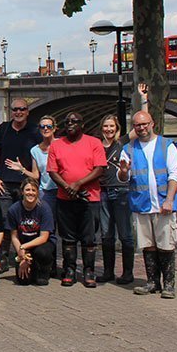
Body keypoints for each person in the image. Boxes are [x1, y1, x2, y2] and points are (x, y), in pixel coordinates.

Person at [119, 110, 177, 298]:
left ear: (152, 124)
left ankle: (168, 284)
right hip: (142, 204)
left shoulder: (166, 145)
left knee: (166, 244)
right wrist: (123, 171)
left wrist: (169, 199)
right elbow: (122, 178)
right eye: (138, 125)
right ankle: (152, 282)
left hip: (164, 204)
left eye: (145, 124)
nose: (142, 128)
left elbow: (174, 174)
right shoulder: (128, 149)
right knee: (148, 245)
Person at [47, 112, 106, 288]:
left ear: (83, 124)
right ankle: (69, 270)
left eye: (74, 121)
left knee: (89, 238)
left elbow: (99, 168)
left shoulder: (94, 143)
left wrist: (79, 184)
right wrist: (68, 187)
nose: (70, 124)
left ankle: (89, 270)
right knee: (68, 237)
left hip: (89, 197)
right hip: (65, 198)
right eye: (67, 122)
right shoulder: (57, 145)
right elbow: (52, 171)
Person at [0, 100, 42, 268]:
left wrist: (34, 178)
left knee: (27, 221)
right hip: (3, 183)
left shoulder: (34, 130)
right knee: (5, 221)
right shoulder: (3, 129)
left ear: (27, 111)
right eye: (15, 109)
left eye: (22, 109)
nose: (18, 112)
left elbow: (38, 154)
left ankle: (26, 254)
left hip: (25, 184)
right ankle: (3, 256)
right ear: (10, 111)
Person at [98, 114, 134, 284]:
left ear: (117, 128)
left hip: (120, 192)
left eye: (112, 126)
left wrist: (143, 99)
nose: (109, 129)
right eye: (106, 126)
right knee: (106, 234)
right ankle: (108, 271)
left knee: (125, 234)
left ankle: (128, 272)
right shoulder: (96, 146)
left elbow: (138, 129)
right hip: (103, 192)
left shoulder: (121, 143)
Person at [5, 178, 56, 286]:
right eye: (27, 190)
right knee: (23, 281)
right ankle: (31, 268)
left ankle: (44, 271)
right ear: (22, 191)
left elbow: (44, 237)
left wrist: (23, 247)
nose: (30, 193)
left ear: (38, 192)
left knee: (42, 253)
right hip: (24, 246)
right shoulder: (14, 209)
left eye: (33, 190)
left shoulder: (44, 208)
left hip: (42, 245)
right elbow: (14, 237)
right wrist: (22, 255)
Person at [27, 116, 58, 212]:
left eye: (49, 126)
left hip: (62, 189)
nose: (45, 129)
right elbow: (35, 175)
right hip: (46, 191)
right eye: (42, 126)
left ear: (54, 128)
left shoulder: (62, 145)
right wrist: (22, 169)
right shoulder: (35, 150)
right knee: (48, 220)